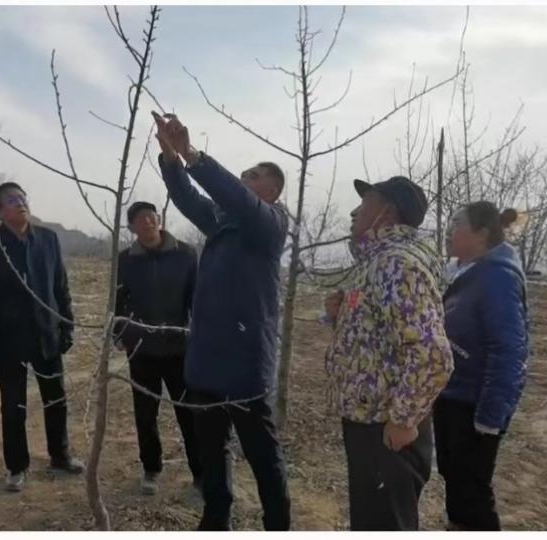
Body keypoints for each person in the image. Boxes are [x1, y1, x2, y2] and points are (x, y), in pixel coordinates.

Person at [152, 111, 291, 531]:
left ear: (272, 191)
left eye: (254, 175)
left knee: (262, 454)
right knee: (212, 450)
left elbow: (237, 198)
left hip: (245, 362)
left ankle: (278, 524)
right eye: (244, 173)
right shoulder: (222, 223)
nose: (245, 177)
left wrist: (192, 154)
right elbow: (188, 199)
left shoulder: (269, 224)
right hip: (207, 359)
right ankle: (216, 519)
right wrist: (171, 158)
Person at [323, 176, 453, 531]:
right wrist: (341, 317)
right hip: (372, 420)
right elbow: (383, 339)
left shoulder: (396, 265)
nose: (355, 212)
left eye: (365, 204)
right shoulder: (378, 261)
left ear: (388, 213)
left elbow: (431, 354)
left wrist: (403, 419)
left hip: (385, 428)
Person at [0, 181, 85, 492]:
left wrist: (67, 325)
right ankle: (16, 466)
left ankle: (60, 456)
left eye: (23, 198)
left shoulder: (48, 239)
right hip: (9, 341)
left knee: (56, 400)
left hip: (47, 334)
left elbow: (60, 286)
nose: (21, 203)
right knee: (13, 406)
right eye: (12, 200)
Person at [434, 202, 530, 531]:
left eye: (457, 225)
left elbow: (509, 349)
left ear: (481, 233)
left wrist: (490, 415)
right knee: (456, 479)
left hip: (473, 402)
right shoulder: (465, 272)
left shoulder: (497, 278)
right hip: (452, 394)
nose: (449, 231)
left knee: (472, 489)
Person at [114, 201, 201, 495]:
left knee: (189, 412)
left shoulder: (185, 254)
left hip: (180, 348)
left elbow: (196, 298)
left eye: (152, 217)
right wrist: (120, 334)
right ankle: (151, 468)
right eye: (141, 219)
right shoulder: (125, 260)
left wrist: (198, 333)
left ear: (160, 220)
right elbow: (118, 300)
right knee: (145, 414)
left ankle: (201, 472)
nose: (148, 222)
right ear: (132, 227)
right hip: (141, 349)